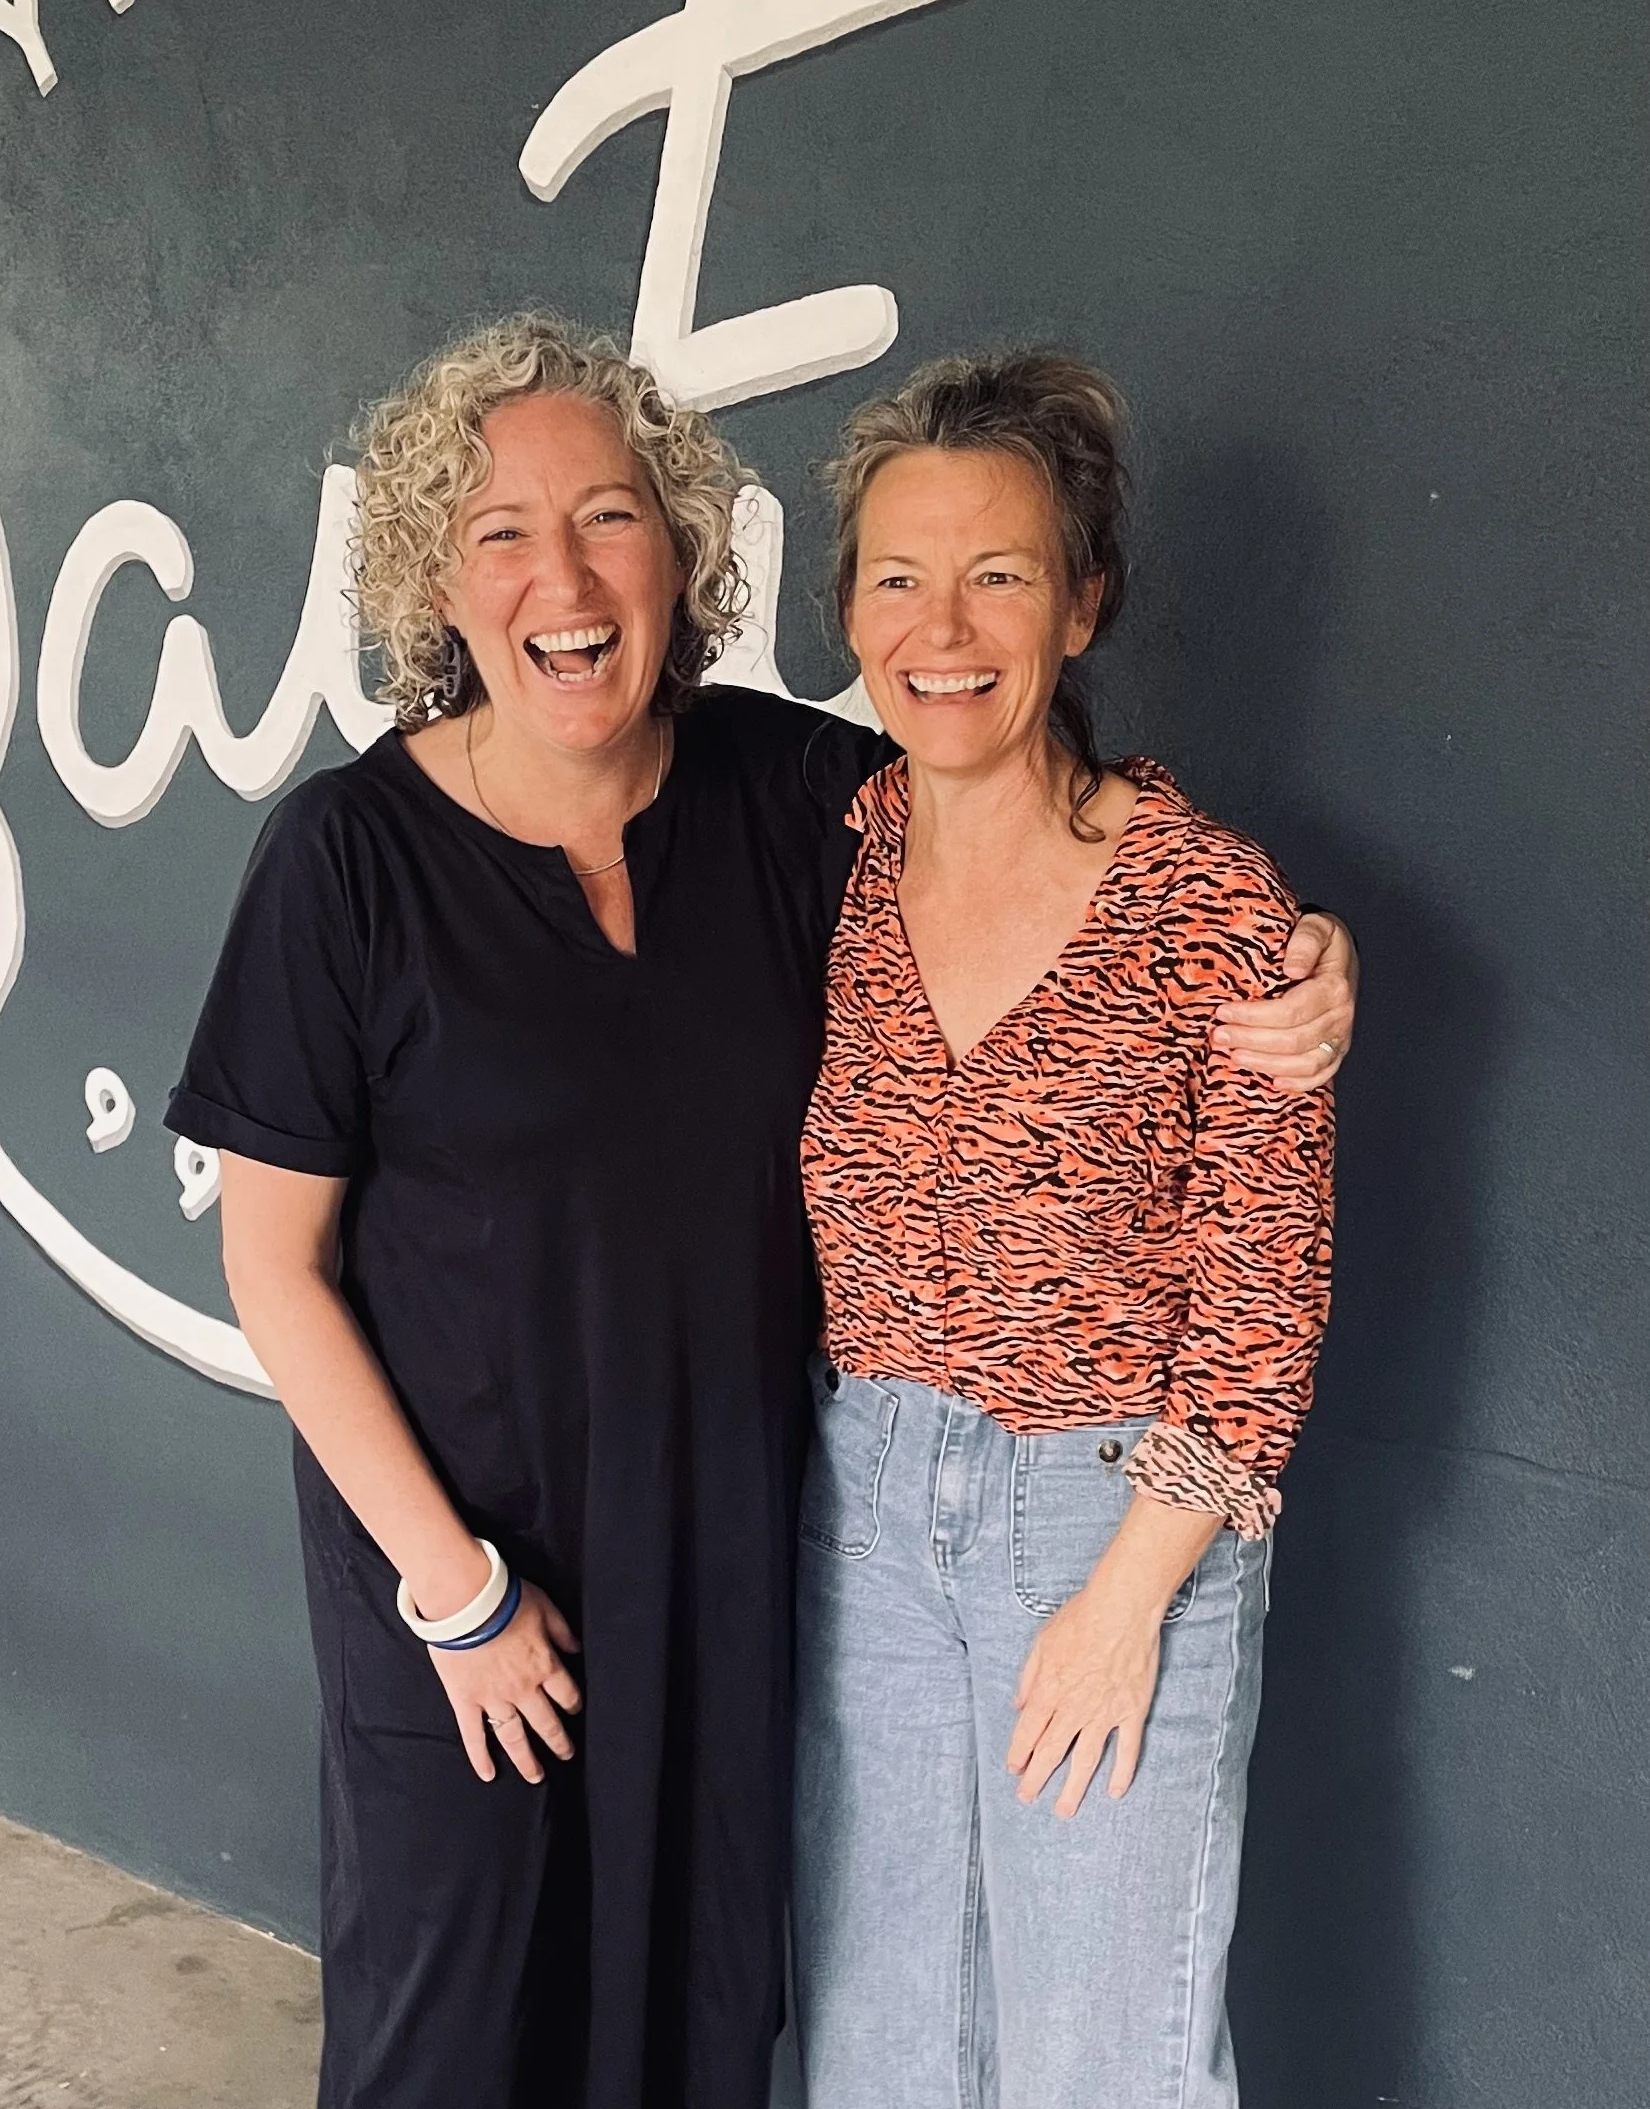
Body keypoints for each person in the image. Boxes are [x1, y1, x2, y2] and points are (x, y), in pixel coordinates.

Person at [162, 317, 1352, 2109]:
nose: (564, 579)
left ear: (680, 553)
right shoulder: (378, 857)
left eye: (610, 519)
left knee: (743, 2025)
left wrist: (1302, 962)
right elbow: (274, 1264)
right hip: (528, 1566)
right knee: (477, 2035)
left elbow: (1236, 1230)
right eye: (500, 531)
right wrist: (455, 1594)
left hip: (766, 1556)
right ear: (434, 579)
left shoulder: (796, 801)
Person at [790, 352, 1338, 2109]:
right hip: (864, 1507)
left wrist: (1123, 1605)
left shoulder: (1205, 903)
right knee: (877, 2049)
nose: (941, 628)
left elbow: (1258, 1305)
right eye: (897, 577)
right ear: (849, 613)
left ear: (1081, 604)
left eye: (999, 575)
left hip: (1110, 1515)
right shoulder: (825, 862)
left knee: (1100, 2065)